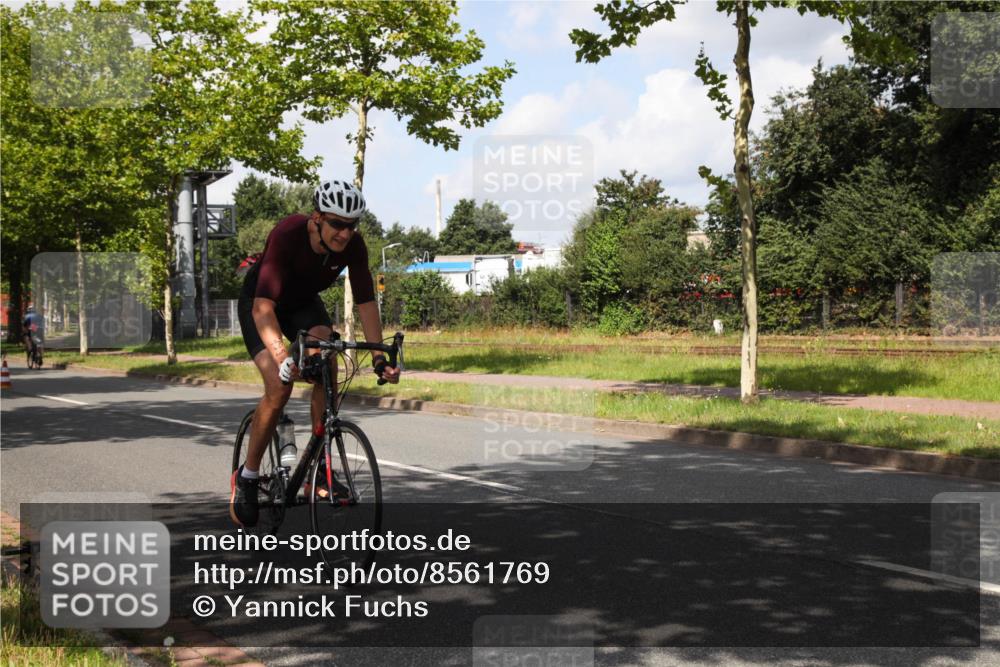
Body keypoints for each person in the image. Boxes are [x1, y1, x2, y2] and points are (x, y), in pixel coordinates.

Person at [231, 179, 400, 528]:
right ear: (317, 218)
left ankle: (320, 472)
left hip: (304, 304)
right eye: (337, 224)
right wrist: (282, 357)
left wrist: (379, 359)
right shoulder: (288, 234)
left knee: (328, 358)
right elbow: (264, 308)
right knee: (279, 388)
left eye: (352, 225)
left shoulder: (354, 246)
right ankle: (247, 477)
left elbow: (367, 302)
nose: (344, 233)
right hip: (263, 304)